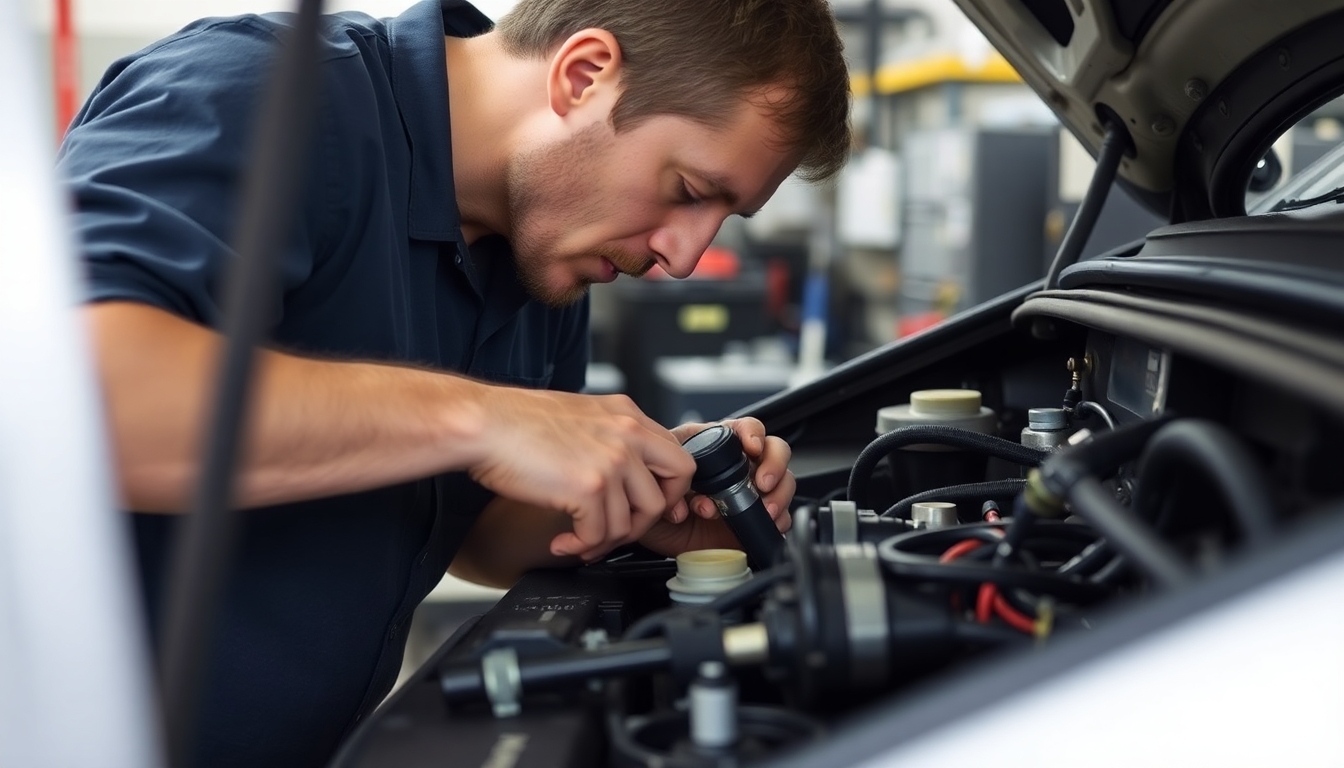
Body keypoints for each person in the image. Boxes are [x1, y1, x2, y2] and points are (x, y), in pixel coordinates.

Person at [59, 0, 851, 765]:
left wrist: (643, 497)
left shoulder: (548, 253)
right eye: (689, 191)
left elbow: (474, 533)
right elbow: (73, 402)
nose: (683, 258)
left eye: (722, 218)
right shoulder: (263, 95)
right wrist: (482, 417)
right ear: (584, 74)